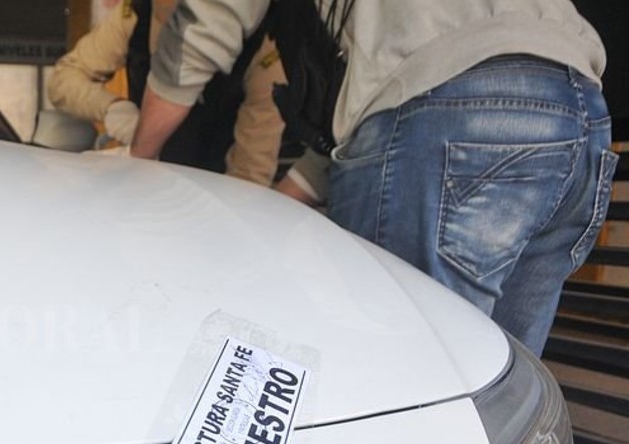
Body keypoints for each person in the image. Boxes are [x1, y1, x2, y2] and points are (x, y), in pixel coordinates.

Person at [129, 0, 616, 356]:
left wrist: (139, 161)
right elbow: (348, 126)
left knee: (404, 388)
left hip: (445, 108)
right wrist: (267, 226)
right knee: (501, 401)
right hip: (580, 114)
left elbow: (207, 20)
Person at [48, 0, 287, 186]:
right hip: (139, 179)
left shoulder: (264, 49)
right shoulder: (136, 13)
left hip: (209, 191)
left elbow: (249, 176)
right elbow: (65, 78)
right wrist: (114, 109)